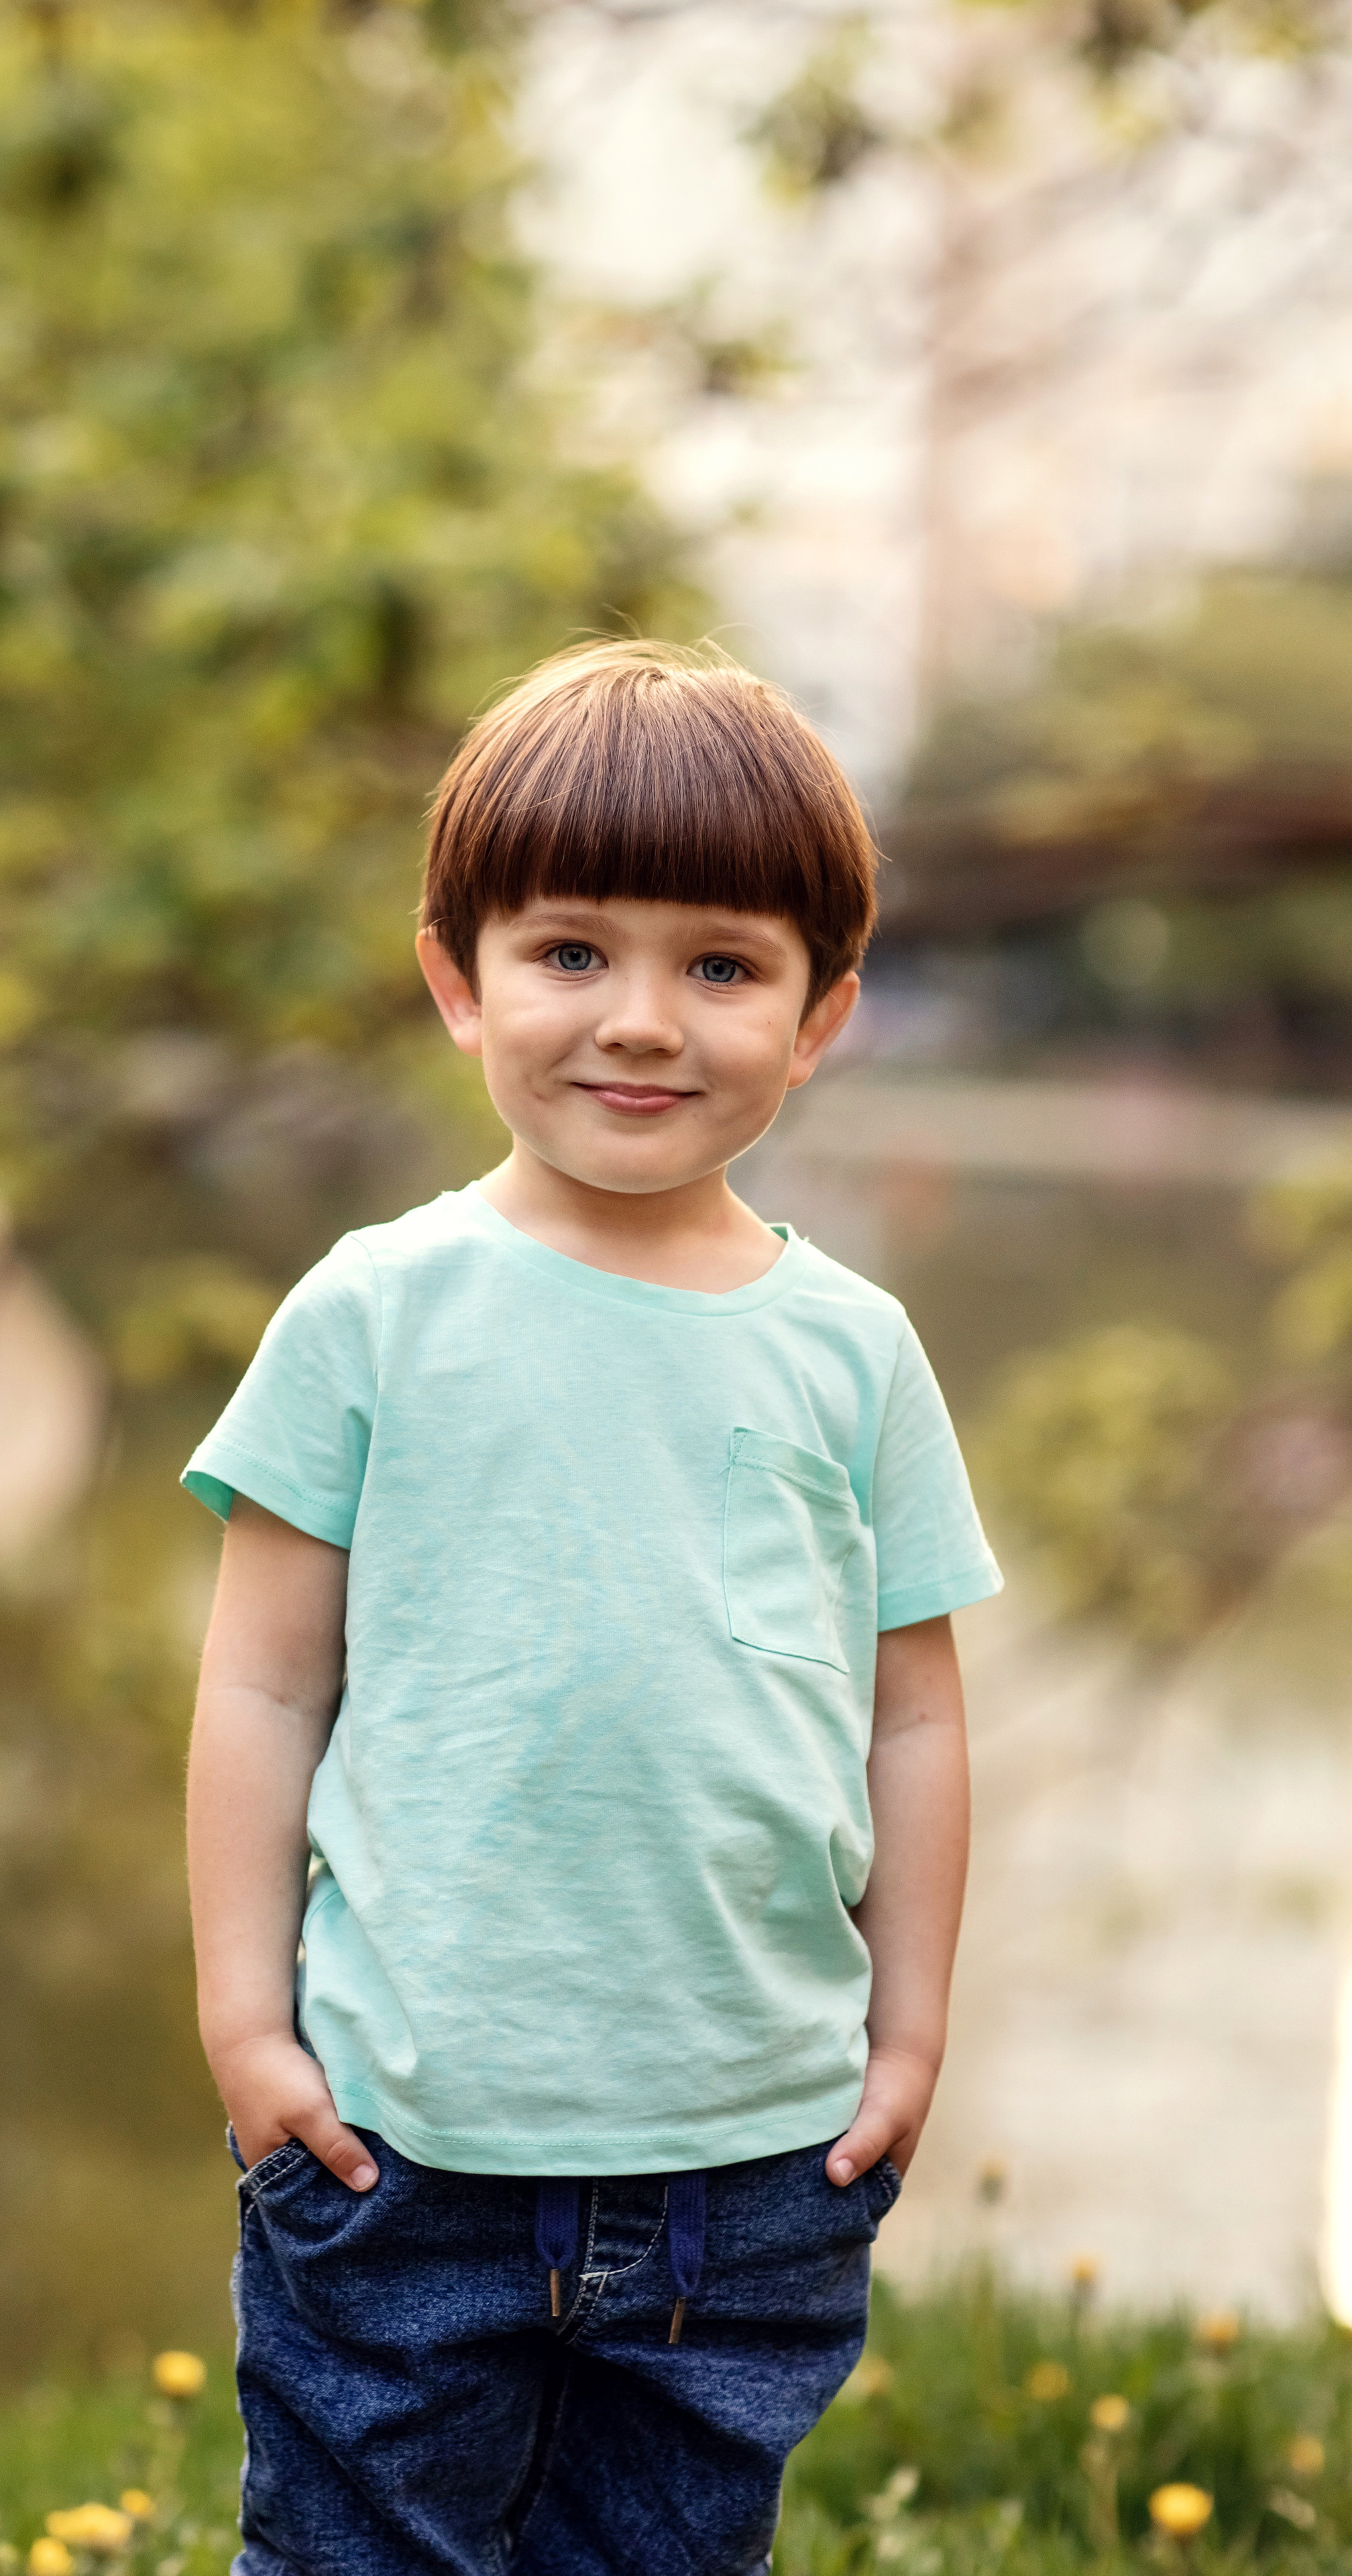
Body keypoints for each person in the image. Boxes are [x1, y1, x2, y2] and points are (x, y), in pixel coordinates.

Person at [182, 639, 1001, 2576]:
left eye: (721, 968)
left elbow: (918, 1717)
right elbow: (260, 1691)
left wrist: (912, 2025)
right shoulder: (376, 1310)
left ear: (821, 1021)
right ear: (458, 977)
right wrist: (243, 2016)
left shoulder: (854, 1353)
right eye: (572, 953)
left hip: (755, 2156)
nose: (642, 1022)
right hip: (404, 2137)